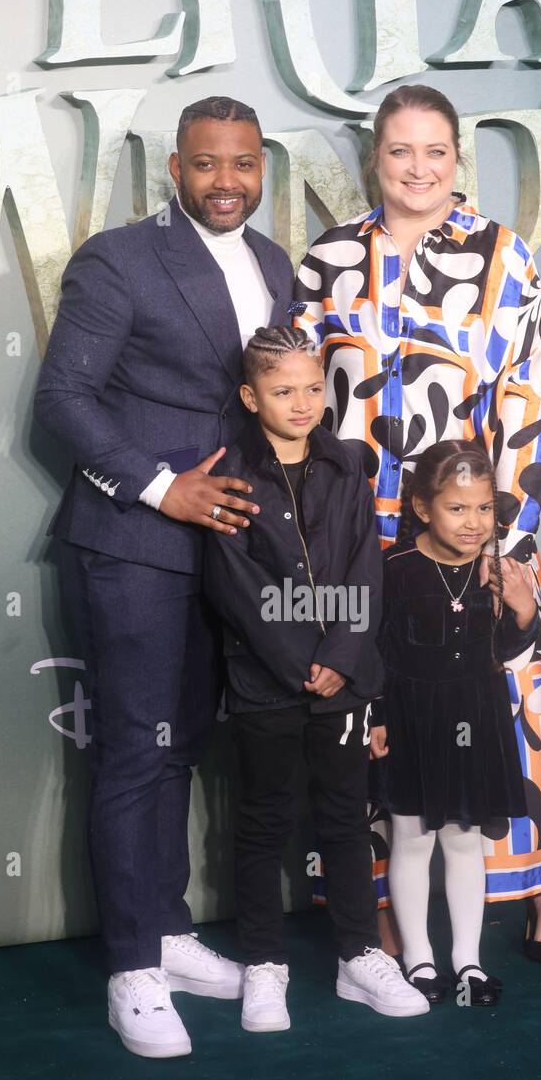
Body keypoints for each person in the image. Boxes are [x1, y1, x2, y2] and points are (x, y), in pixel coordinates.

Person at [34, 97, 295, 1060]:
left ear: (261, 165)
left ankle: (170, 933)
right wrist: (157, 488)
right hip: (132, 540)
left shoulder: (275, 265)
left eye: (243, 164)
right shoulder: (120, 257)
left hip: (224, 550)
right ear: (175, 171)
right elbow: (62, 395)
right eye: (205, 165)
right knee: (134, 758)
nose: (226, 181)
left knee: (181, 743)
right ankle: (131, 972)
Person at [292, 82, 541, 965]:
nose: (419, 168)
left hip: (472, 525)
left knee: (517, 699)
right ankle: (386, 912)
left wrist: (509, 537)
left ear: (458, 159)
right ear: (374, 158)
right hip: (360, 534)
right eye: (400, 151)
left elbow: (524, 401)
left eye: (437, 152)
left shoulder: (505, 256)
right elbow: (297, 400)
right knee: (380, 716)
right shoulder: (328, 259)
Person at [202, 327, 429, 1030]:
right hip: (266, 685)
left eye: (310, 388)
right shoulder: (230, 473)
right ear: (250, 396)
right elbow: (233, 585)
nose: (301, 403)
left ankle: (360, 956)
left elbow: (367, 565)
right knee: (264, 823)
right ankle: (265, 965)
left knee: (344, 819)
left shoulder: (346, 466)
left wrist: (344, 655)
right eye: (281, 391)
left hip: (347, 682)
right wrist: (304, 663)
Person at [370, 440, 541, 1006]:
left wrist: (523, 609)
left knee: (465, 842)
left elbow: (509, 650)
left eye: (485, 508)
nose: (474, 523)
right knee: (412, 840)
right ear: (423, 508)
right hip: (413, 718)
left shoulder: (501, 569)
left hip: (478, 714)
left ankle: (466, 960)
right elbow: (373, 650)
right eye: (458, 509)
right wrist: (375, 717)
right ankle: (418, 959)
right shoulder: (394, 568)